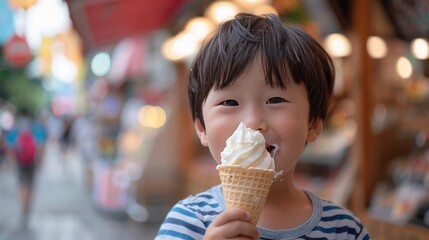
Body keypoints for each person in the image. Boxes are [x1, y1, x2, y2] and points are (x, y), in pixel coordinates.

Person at [156, 13, 370, 239]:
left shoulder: (344, 229)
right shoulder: (189, 221)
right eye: (229, 102)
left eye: (275, 100)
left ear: (314, 123)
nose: (252, 123)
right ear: (201, 128)